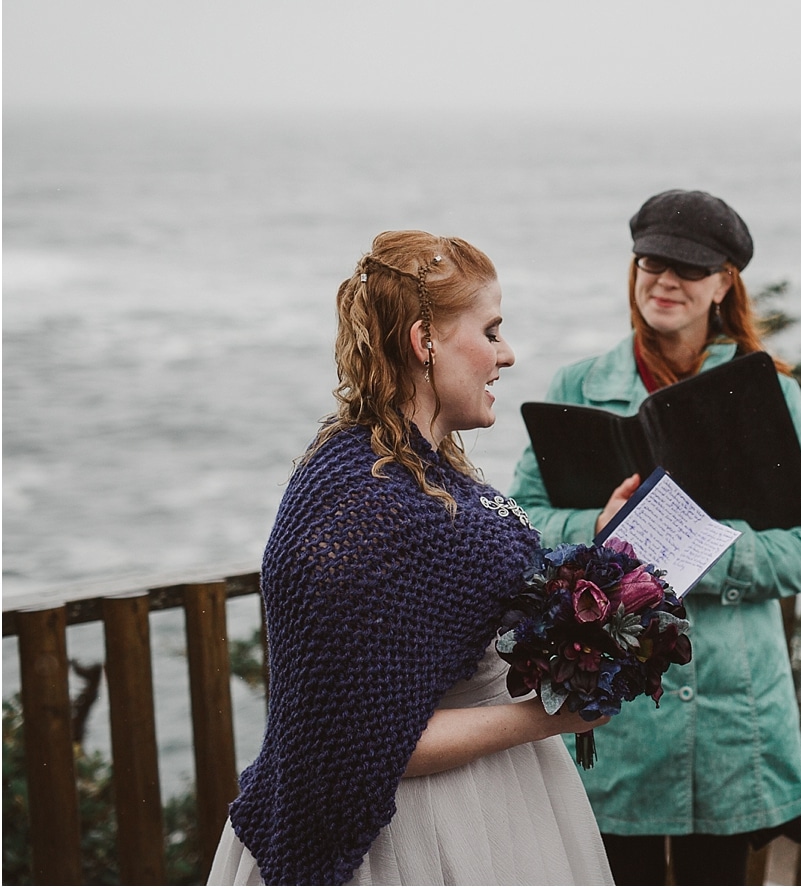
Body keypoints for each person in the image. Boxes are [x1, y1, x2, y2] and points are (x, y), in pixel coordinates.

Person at [208, 231, 613, 887]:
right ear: (424, 341)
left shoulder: (414, 467)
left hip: (501, 806)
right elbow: (354, 744)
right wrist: (547, 718)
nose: (506, 353)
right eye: (490, 330)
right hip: (425, 835)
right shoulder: (366, 504)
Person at [510, 190, 801, 888]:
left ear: (724, 283)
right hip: (617, 704)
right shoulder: (577, 384)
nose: (664, 279)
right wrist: (595, 530)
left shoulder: (768, 392)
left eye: (688, 268)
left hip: (730, 713)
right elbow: (523, 524)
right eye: (651, 261)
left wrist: (693, 551)